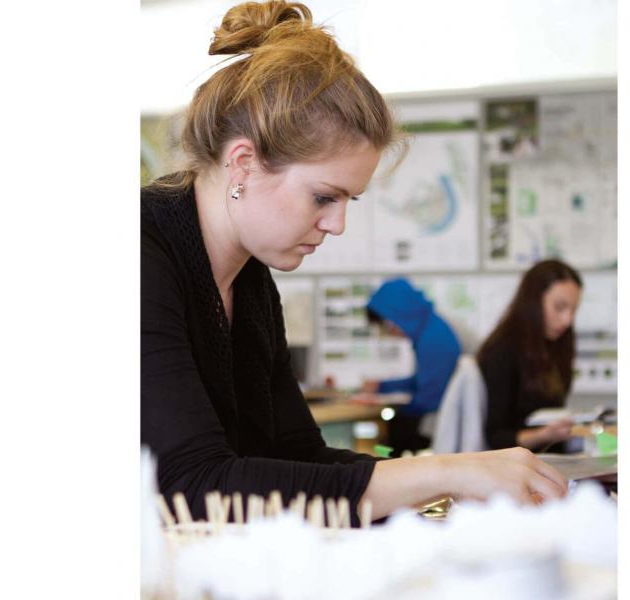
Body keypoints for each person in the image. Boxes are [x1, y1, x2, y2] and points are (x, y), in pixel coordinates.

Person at [142, 0, 567, 527]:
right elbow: (194, 489)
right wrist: (447, 473)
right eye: (324, 197)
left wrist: (454, 479)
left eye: (349, 202)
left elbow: (299, 457)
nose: (337, 225)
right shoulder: (140, 255)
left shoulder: (250, 281)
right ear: (244, 164)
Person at [477, 260, 583, 452]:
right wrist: (546, 434)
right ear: (533, 302)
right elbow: (496, 438)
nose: (567, 320)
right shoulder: (502, 351)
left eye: (573, 310)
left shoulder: (557, 344)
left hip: (552, 461)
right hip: (516, 467)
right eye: (559, 307)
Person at [361, 278, 462, 456]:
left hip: (443, 420)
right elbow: (423, 382)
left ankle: (384, 467)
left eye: (387, 325)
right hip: (444, 414)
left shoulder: (434, 339)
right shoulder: (431, 328)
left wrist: (396, 407)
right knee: (394, 427)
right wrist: (382, 387)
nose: (388, 332)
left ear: (399, 315)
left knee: (391, 434)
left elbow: (429, 399)